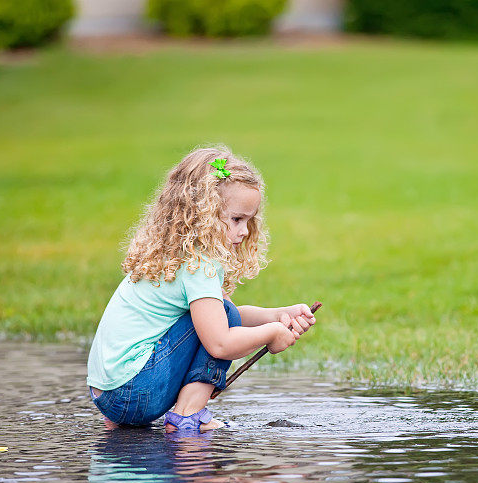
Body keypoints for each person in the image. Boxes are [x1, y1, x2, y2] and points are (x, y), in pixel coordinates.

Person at [86, 145, 316, 432]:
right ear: (203, 214)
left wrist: (279, 314)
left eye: (249, 221)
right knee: (222, 321)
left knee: (222, 313)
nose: (244, 231)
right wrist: (272, 333)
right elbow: (219, 342)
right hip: (135, 394)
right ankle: (187, 415)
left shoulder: (172, 253)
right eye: (236, 219)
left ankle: (130, 422)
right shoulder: (201, 265)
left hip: (107, 395)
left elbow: (219, 316)